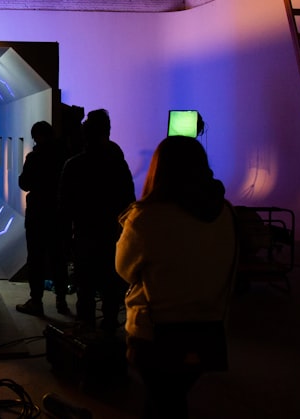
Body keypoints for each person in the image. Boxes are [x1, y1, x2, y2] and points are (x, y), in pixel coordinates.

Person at [116, 135, 237, 419]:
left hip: (155, 333)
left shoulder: (145, 217)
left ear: (159, 169)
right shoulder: (226, 213)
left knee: (161, 400)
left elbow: (123, 269)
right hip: (208, 330)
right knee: (171, 400)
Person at [59, 109, 135, 331]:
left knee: (85, 287)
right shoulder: (118, 165)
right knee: (111, 286)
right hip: (112, 235)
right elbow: (129, 202)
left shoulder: (74, 165)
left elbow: (65, 206)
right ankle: (110, 328)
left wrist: (65, 240)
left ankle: (86, 332)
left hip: (85, 234)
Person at [16, 120, 72, 316]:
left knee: (36, 258)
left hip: (38, 213)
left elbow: (24, 183)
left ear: (36, 137)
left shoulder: (35, 157)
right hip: (59, 214)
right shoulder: (65, 156)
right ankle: (61, 301)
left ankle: (36, 301)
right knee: (59, 257)